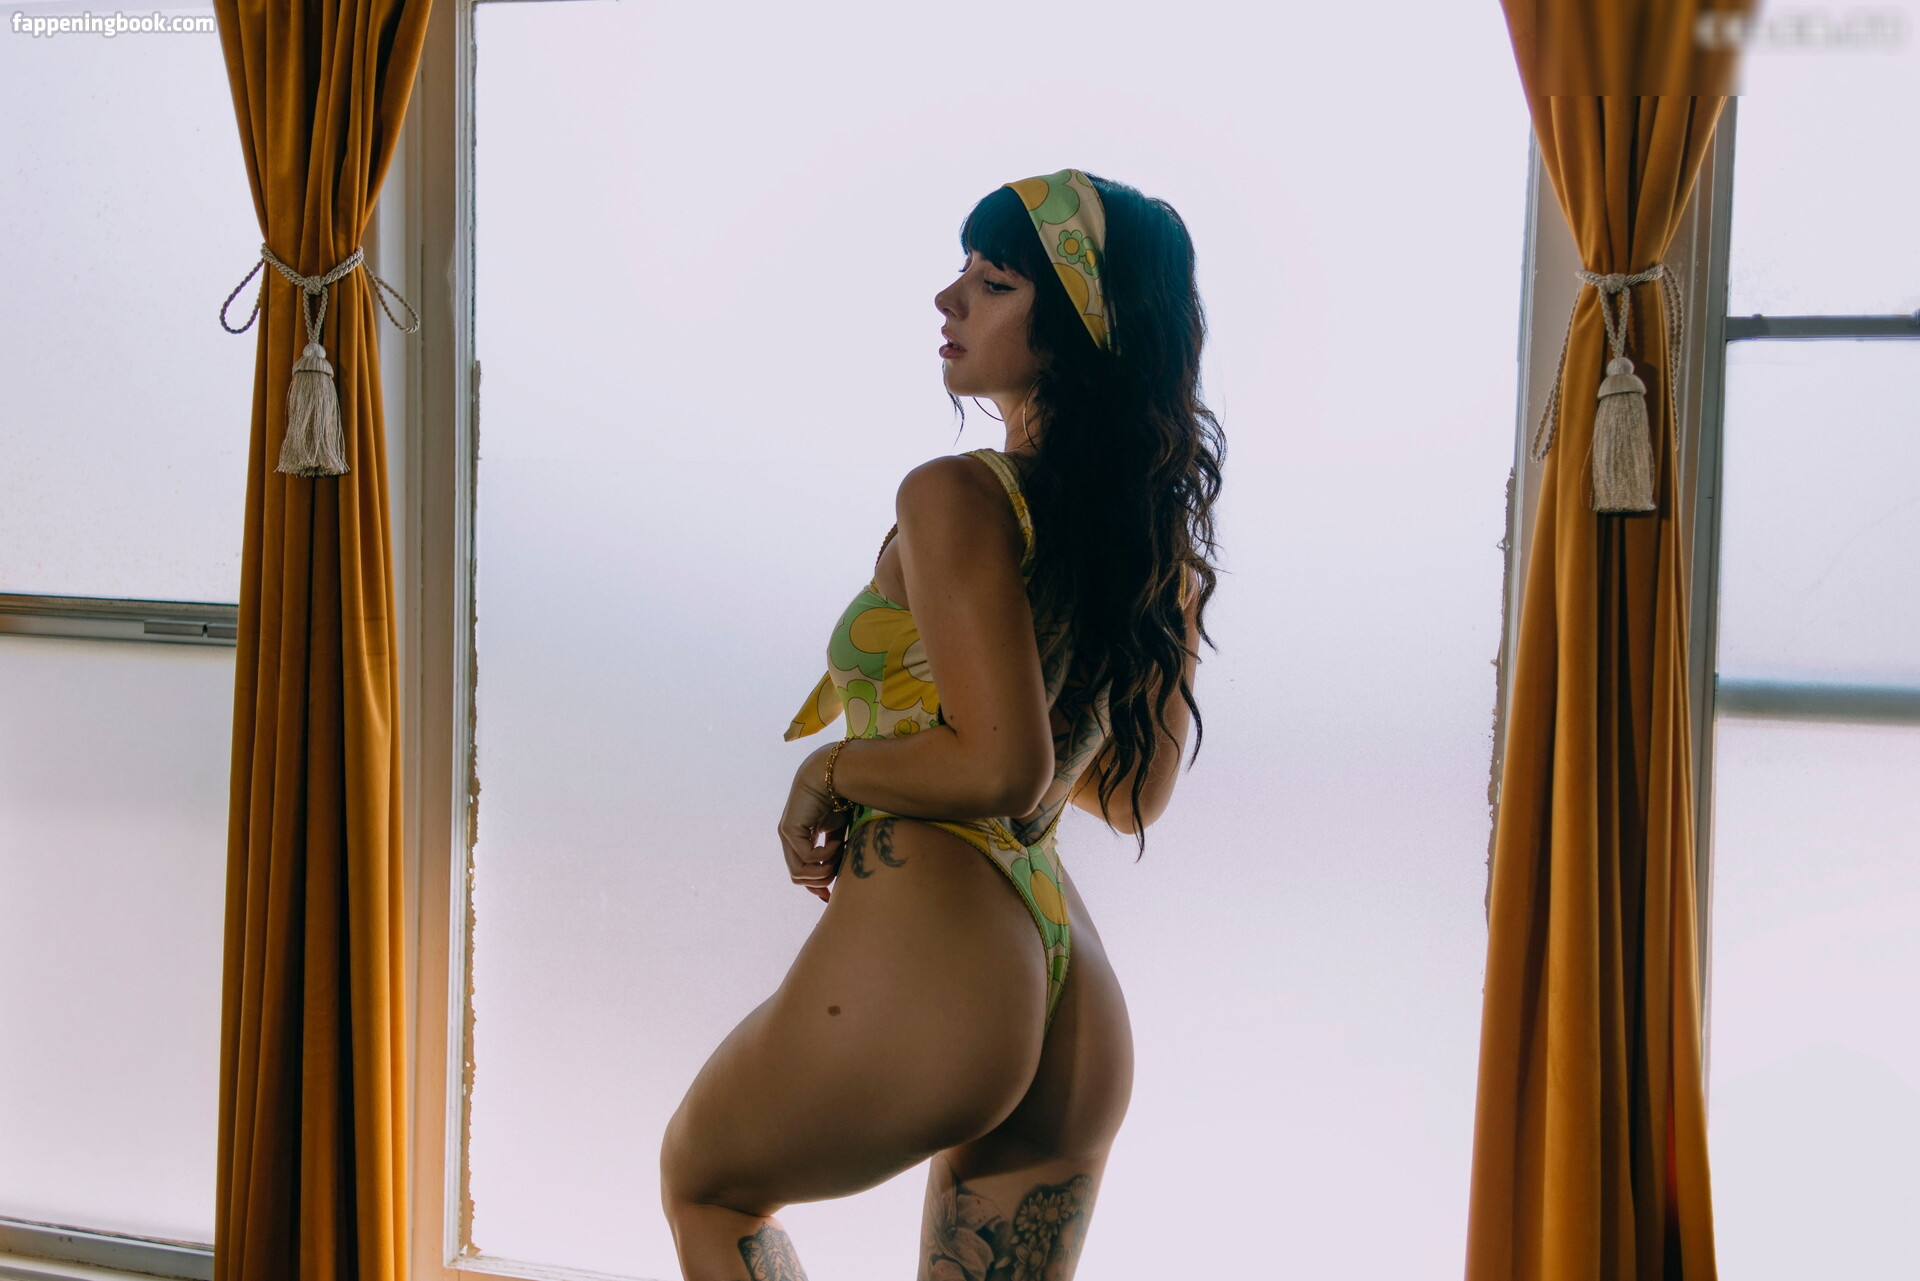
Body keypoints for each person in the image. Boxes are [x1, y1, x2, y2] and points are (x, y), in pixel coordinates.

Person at [659, 168, 1224, 1281]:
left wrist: (835, 766)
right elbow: (1127, 796)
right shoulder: (1157, 551)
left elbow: (1001, 766)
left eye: (995, 282)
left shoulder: (957, 494)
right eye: (964, 272)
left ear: (1077, 331)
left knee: (707, 1184)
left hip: (944, 945)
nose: (949, 300)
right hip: (1068, 983)